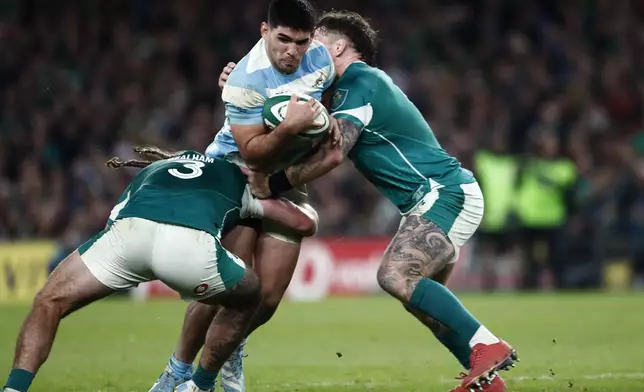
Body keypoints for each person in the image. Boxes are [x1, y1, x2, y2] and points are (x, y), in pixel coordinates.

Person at [240, 10, 519, 392]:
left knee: (395, 275)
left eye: (313, 41)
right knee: (418, 300)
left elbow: (335, 152)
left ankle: (487, 345)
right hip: (428, 199)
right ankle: (489, 384)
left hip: (443, 192)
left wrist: (272, 183)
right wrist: (240, 87)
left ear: (337, 46)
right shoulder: (338, 91)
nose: (304, 50)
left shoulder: (361, 79)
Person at [1, 146, 317, 392]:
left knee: (48, 301)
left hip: (129, 237)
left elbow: (117, 212)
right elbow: (302, 223)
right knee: (249, 292)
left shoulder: (155, 168)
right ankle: (201, 383)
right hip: (188, 250)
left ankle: (15, 386)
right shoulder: (240, 180)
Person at [150, 1, 338, 391]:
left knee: (266, 298)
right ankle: (179, 372)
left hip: (284, 177)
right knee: (225, 287)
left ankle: (226, 351)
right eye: (283, 39)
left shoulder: (320, 58)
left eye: (300, 42)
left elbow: (326, 100)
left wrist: (331, 117)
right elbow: (253, 152)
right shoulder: (245, 80)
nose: (292, 51)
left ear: (312, 38)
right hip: (235, 171)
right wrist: (291, 127)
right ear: (264, 31)